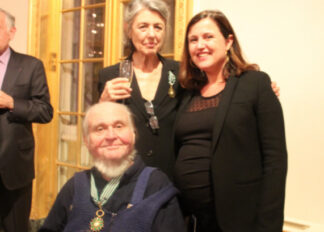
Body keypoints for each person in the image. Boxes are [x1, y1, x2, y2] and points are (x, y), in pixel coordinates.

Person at [98, 0, 280, 179]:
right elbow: (99, 134)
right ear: (129, 30)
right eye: (143, 27)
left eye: (158, 27)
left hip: (170, 183)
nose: (151, 34)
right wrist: (103, 104)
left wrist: (260, 92)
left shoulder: (181, 73)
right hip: (126, 180)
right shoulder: (111, 76)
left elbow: (218, 88)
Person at [173, 10, 287, 232]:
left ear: (228, 41)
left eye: (208, 37)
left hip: (238, 220)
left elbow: (275, 160)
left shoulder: (255, 84)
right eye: (193, 40)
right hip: (191, 220)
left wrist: (268, 226)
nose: (200, 45)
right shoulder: (186, 93)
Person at [39, 102, 186, 232]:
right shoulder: (76, 186)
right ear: (87, 141)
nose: (110, 136)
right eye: (100, 129)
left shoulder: (156, 186)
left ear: (133, 134)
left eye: (119, 126)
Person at [0, 8, 53, 232]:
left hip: (14, 168)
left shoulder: (31, 66)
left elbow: (45, 111)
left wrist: (12, 102)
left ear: (12, 32)